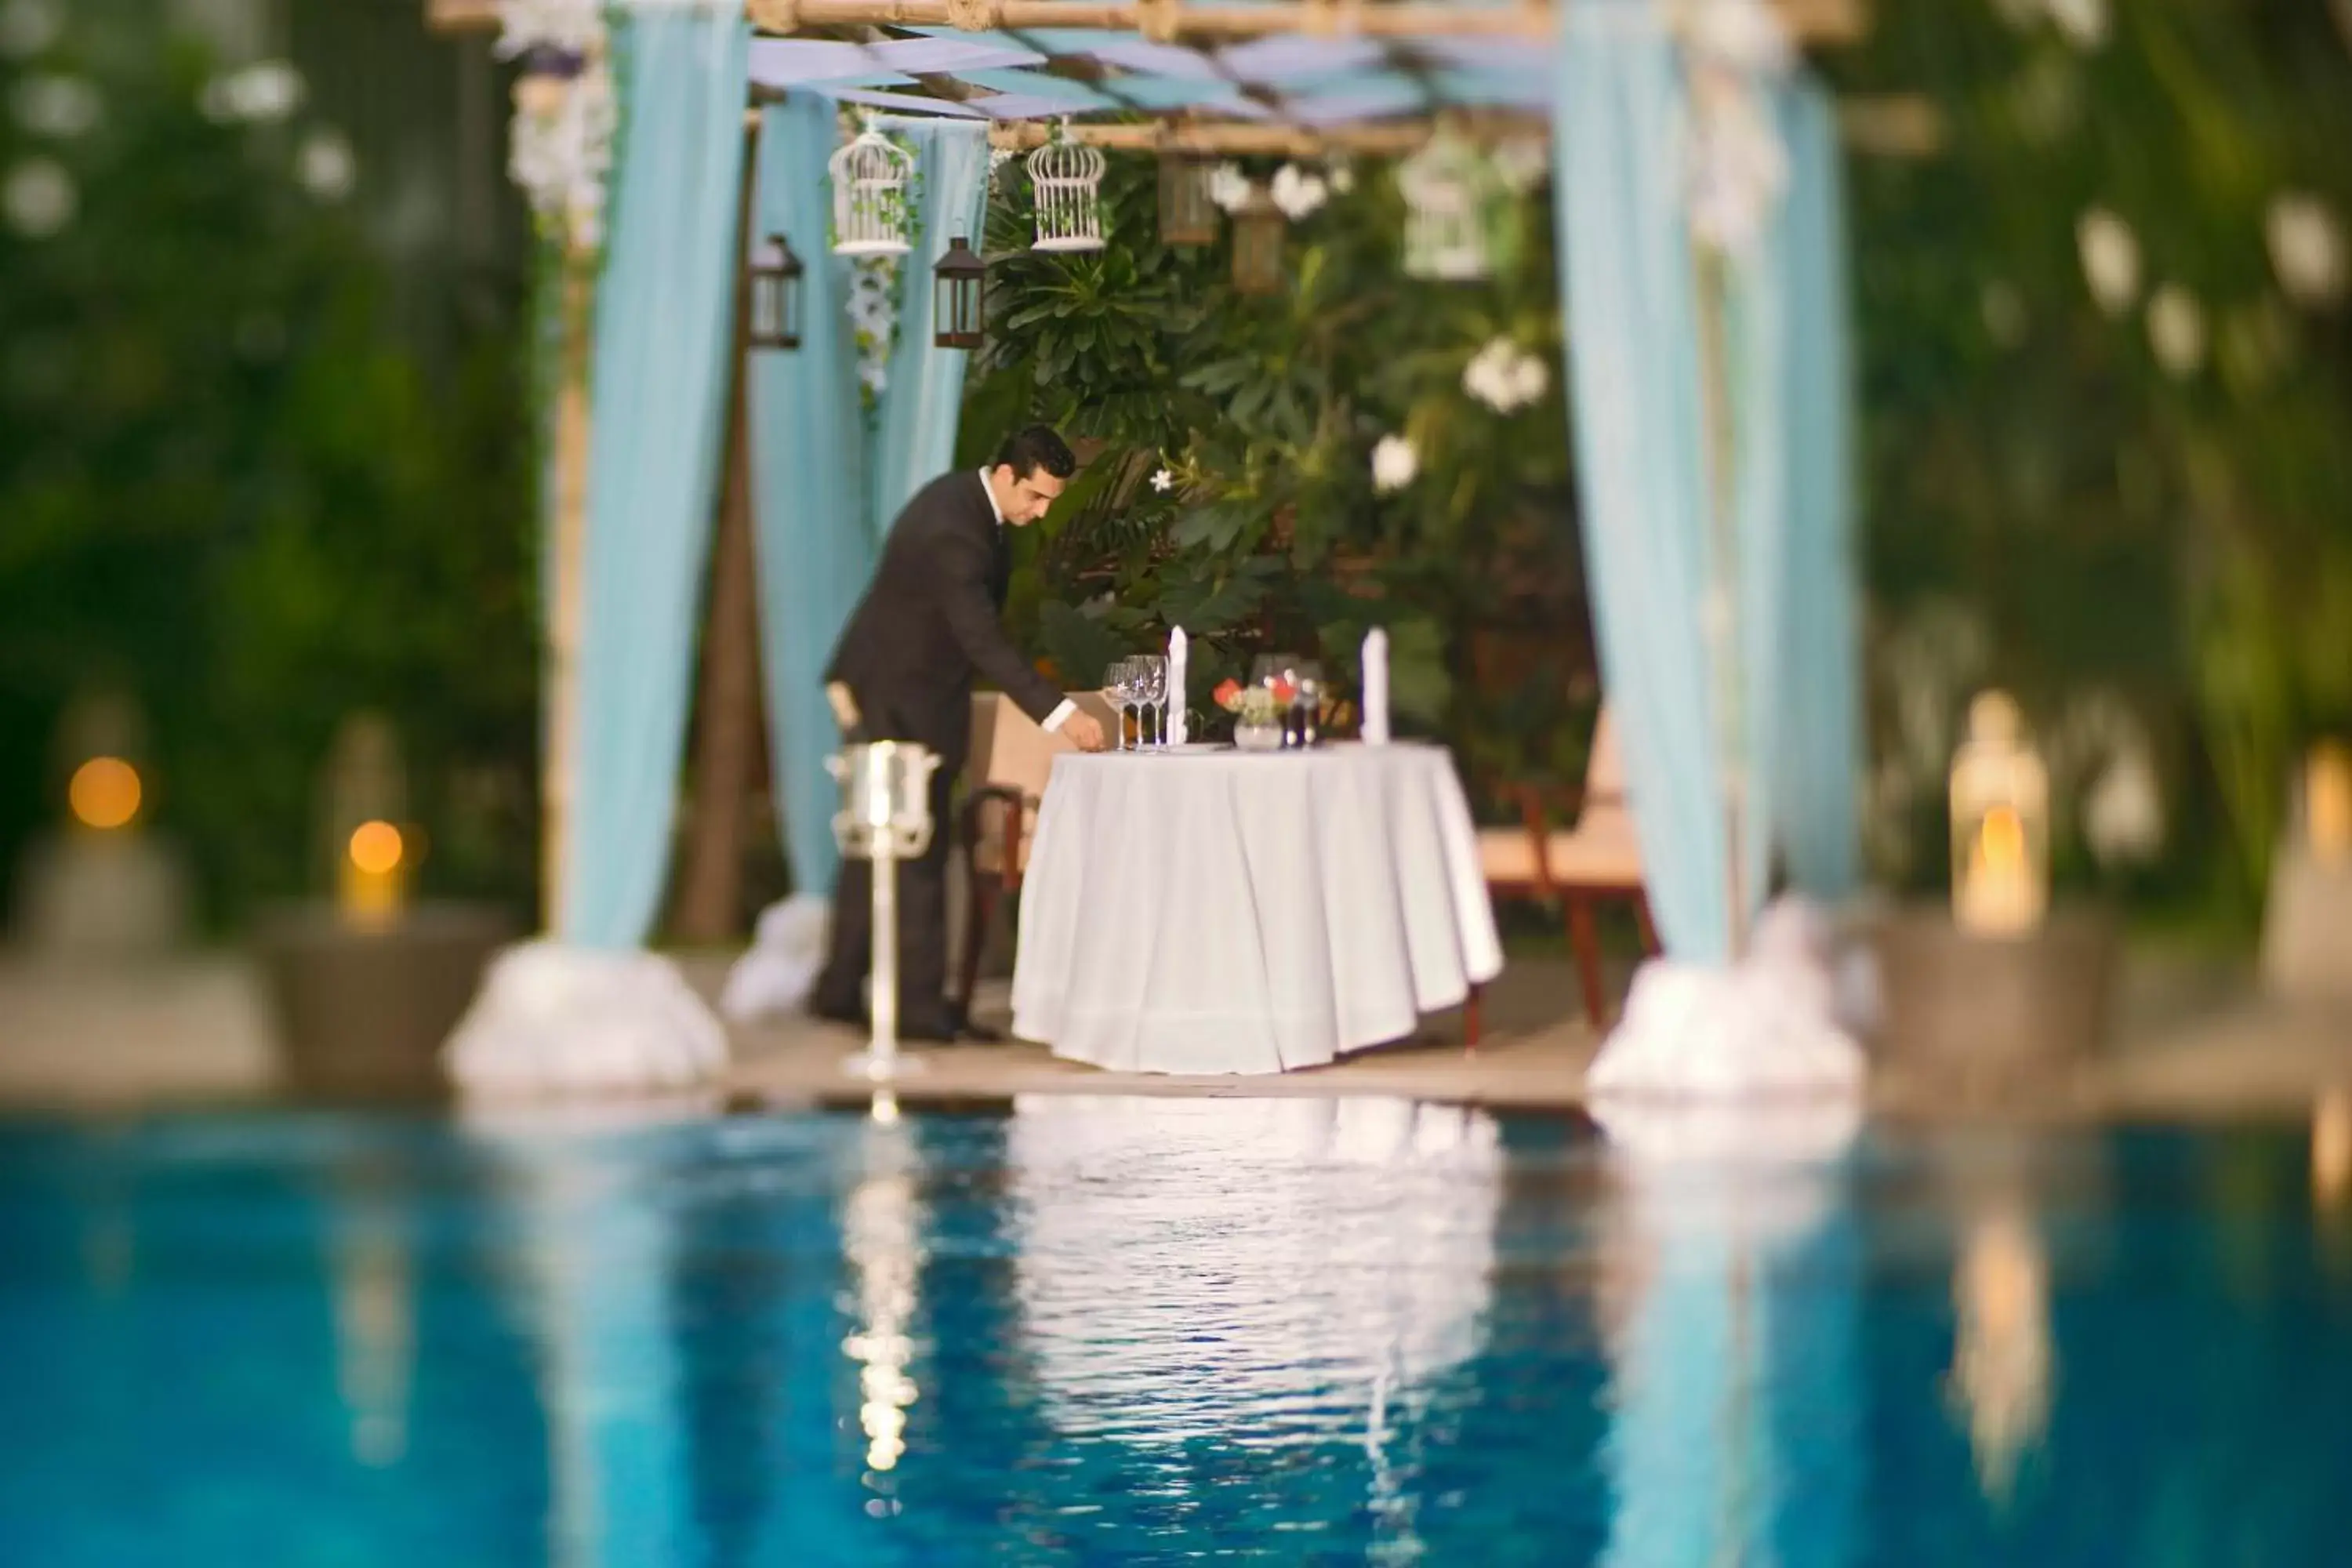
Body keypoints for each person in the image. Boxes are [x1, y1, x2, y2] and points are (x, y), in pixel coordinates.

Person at [808, 425, 1108, 1041]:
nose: (1042, 511)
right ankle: (917, 1010)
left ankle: (837, 990)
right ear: (1005, 476)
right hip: (895, 695)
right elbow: (983, 640)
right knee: (916, 848)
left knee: (879, 851)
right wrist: (1061, 716)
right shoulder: (955, 533)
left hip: (906, 686)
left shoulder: (969, 506)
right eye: (1037, 497)